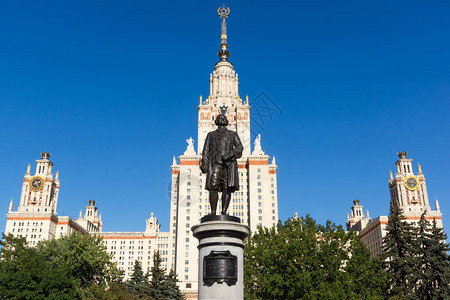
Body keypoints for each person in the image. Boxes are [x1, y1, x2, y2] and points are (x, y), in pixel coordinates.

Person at [201, 114, 243, 215]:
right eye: (220, 118)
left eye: (224, 118)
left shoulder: (232, 134)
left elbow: (239, 147)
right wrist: (204, 164)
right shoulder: (210, 135)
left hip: (228, 165)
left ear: (227, 121)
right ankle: (213, 211)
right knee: (213, 186)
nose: (222, 119)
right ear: (216, 121)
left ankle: (224, 211)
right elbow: (206, 150)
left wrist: (230, 154)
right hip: (215, 164)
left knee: (227, 188)